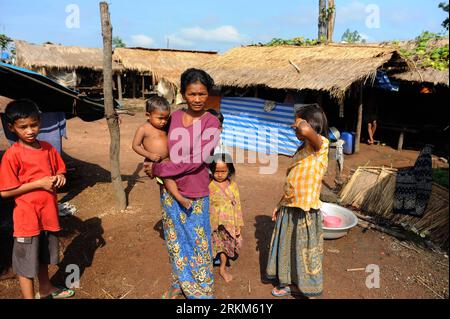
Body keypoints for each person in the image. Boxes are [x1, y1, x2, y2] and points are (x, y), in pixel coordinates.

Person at [145, 68, 221, 299]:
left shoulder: (212, 123)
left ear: (208, 94)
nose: (197, 99)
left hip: (195, 190)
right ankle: (181, 281)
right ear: (183, 94)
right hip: (169, 189)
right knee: (175, 237)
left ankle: (202, 291)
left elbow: (197, 160)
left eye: (202, 94)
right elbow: (158, 140)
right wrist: (150, 159)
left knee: (198, 241)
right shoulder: (175, 117)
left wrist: (159, 168)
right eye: (192, 94)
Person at [0, 99, 75, 299]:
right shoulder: (12, 155)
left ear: (40, 122)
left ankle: (46, 288)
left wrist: (60, 177)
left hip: (47, 216)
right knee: (25, 264)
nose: (30, 130)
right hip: (27, 220)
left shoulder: (48, 148)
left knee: (43, 256)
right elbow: (5, 192)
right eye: (23, 127)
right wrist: (38, 184)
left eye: (34, 125)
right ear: (11, 128)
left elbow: (60, 169)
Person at [266, 103, 329, 298]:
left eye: (298, 123)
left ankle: (309, 289)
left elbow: (304, 129)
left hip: (306, 211)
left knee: (306, 252)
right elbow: (292, 183)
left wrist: (300, 122)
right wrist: (280, 204)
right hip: (289, 207)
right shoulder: (302, 149)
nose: (294, 127)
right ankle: (289, 283)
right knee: (288, 248)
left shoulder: (321, 146)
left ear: (310, 124)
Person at [132, 95, 192, 209]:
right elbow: (135, 145)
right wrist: (149, 154)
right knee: (167, 177)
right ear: (148, 115)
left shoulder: (165, 126)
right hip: (157, 162)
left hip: (170, 160)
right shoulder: (143, 129)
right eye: (160, 118)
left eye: (166, 118)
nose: (163, 122)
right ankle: (180, 198)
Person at [209, 153, 243, 283]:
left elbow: (237, 206)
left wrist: (238, 225)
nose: (219, 174)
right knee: (211, 246)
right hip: (212, 225)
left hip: (227, 226)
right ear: (212, 170)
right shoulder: (209, 186)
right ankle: (207, 268)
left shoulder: (233, 186)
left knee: (224, 247)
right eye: (216, 171)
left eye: (223, 171)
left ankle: (222, 268)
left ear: (229, 170)